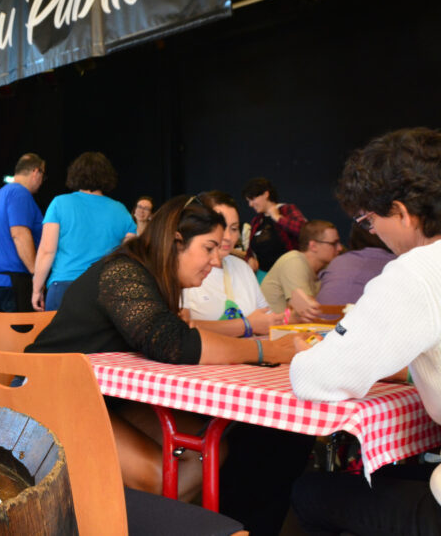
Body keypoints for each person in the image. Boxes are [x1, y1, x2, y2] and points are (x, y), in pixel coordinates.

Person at [26, 195, 301, 504]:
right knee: (165, 474)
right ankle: (129, 518)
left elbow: (175, 339)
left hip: (102, 396)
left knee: (208, 449)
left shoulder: (151, 278)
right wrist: (267, 351)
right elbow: (175, 343)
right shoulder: (123, 272)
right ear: (176, 241)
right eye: (208, 248)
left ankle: (154, 518)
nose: (215, 261)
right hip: (47, 394)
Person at [289, 127, 441, 535]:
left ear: (402, 212)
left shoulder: (417, 271)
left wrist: (299, 353)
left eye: (371, 221)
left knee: (310, 491)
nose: (374, 233)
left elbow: (317, 378)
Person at [31, 151, 136, 312]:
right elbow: (131, 255)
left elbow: (47, 250)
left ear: (75, 174)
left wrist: (37, 289)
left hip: (65, 286)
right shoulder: (121, 210)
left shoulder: (59, 203)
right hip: (106, 289)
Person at [182, 191, 284, 337]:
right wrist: (246, 325)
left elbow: (267, 319)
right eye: (221, 227)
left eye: (234, 228)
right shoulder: (183, 271)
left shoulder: (242, 267)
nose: (228, 237)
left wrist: (291, 316)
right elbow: (182, 329)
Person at [0, 153, 45, 313]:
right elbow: (19, 234)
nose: (42, 181)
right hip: (15, 283)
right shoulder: (20, 193)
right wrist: (37, 275)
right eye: (43, 175)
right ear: (36, 172)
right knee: (23, 330)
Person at [260, 220, 341, 315]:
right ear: (313, 246)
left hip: (291, 324)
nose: (339, 248)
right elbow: (306, 312)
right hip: (275, 324)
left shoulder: (324, 269)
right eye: (333, 244)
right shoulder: (293, 261)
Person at [315, 224, 395, 306]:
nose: (340, 248)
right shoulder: (394, 264)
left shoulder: (339, 261)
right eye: (333, 243)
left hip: (323, 314)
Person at [241, 177, 307, 273]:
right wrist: (250, 258)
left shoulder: (286, 210)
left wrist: (278, 218)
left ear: (266, 194)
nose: (250, 204)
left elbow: (304, 231)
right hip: (264, 273)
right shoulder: (256, 221)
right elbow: (251, 250)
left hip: (290, 271)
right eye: (248, 201)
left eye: (252, 199)